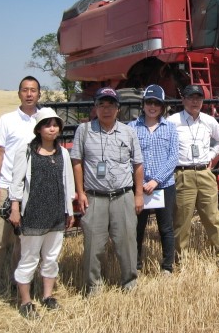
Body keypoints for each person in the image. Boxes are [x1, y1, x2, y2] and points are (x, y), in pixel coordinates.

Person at [70, 87, 144, 295]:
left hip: (123, 196)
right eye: (101, 104)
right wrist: (80, 192)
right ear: (95, 108)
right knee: (94, 245)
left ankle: (129, 283)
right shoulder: (83, 131)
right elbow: (76, 161)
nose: (106, 109)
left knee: (127, 243)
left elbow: (138, 164)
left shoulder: (128, 132)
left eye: (110, 105)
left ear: (118, 109)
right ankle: (94, 286)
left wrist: (138, 195)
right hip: (95, 197)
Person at [9, 108, 75, 318]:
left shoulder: (63, 152)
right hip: (34, 214)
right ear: (38, 129)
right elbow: (17, 181)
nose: (52, 128)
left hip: (56, 214)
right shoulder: (26, 151)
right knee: (29, 259)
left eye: (55, 124)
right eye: (47, 124)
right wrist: (15, 208)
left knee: (51, 258)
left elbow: (68, 184)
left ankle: (47, 296)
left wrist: (69, 211)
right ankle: (26, 301)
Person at [0, 76, 41, 296]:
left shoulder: (43, 121)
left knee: (23, 243)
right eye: (25, 90)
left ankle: (19, 284)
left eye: (33, 90)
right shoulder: (7, 120)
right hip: (6, 187)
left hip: (31, 190)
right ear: (19, 94)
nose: (29, 94)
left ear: (39, 94)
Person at [168, 84, 219, 264]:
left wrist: (210, 155)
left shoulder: (209, 121)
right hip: (182, 174)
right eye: (191, 97)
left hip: (204, 173)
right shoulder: (172, 121)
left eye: (198, 98)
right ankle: (180, 258)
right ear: (183, 100)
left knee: (213, 217)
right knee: (182, 220)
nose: (195, 101)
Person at [128, 85, 179, 274]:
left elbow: (173, 157)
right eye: (149, 102)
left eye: (157, 103)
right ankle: (136, 265)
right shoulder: (131, 128)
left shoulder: (170, 128)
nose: (152, 106)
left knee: (166, 227)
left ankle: (167, 266)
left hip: (164, 185)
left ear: (162, 106)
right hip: (139, 187)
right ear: (143, 104)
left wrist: (156, 180)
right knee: (137, 228)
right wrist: (139, 183)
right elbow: (127, 156)